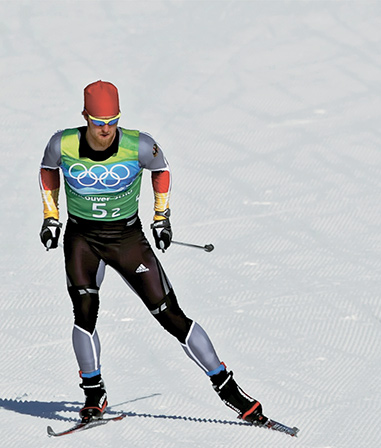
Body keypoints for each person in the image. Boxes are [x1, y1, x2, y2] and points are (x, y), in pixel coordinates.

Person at [38, 80, 268, 425]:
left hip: (126, 238)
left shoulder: (138, 145)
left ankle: (228, 388)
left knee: (170, 315)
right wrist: (51, 217)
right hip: (82, 238)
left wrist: (162, 217)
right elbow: (47, 171)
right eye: (99, 122)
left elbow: (161, 171)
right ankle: (93, 393)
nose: (106, 130)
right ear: (85, 117)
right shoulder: (63, 143)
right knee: (84, 313)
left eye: (112, 121)